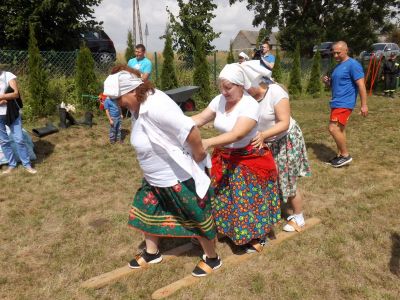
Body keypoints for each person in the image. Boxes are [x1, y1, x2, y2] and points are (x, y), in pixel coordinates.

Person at [103, 66, 221, 277]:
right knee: (148, 212)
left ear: (131, 91)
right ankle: (151, 253)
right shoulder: (137, 105)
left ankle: (212, 258)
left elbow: (190, 130)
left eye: (117, 99)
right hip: (154, 177)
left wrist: (200, 154)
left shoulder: (156, 106)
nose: (115, 103)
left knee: (194, 214)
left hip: (176, 175)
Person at [191, 63, 280, 253]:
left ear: (240, 85)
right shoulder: (219, 100)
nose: (223, 92)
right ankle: (229, 229)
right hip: (225, 156)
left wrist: (207, 142)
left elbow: (237, 134)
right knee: (224, 195)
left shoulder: (249, 104)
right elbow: (200, 118)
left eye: (228, 87)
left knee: (247, 200)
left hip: (248, 158)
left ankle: (257, 235)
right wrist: (176, 122)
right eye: (221, 87)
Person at [241, 60, 311, 232]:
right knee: (268, 177)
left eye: (244, 84)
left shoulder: (276, 93)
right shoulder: (248, 97)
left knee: (287, 180)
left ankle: (298, 216)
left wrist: (263, 135)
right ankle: (273, 208)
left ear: (255, 81)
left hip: (285, 140)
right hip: (267, 141)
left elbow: (284, 123)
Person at [322, 41, 368, 168]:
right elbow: (338, 84)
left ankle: (346, 155)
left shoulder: (353, 65)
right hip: (336, 102)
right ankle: (340, 156)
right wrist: (328, 82)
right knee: (340, 130)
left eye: (338, 52)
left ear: (346, 50)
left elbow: (361, 85)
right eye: (334, 53)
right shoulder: (338, 66)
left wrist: (364, 105)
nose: (335, 55)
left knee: (333, 128)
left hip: (344, 103)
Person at [0, 70, 37, 174]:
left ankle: (27, 165)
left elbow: (15, 94)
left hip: (12, 112)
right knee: (3, 141)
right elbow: (9, 96)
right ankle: (12, 165)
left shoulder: (8, 75)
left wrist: (1, 97)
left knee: (19, 139)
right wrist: (4, 98)